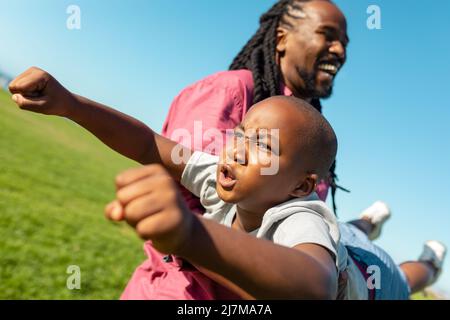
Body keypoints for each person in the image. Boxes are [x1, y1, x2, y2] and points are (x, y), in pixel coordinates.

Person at [8, 65, 446, 298]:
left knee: (408, 279)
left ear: (300, 186)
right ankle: (367, 221)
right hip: (343, 243)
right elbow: (147, 144)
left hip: (372, 282)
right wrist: (70, 104)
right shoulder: (224, 174)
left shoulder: (299, 217)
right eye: (241, 134)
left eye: (264, 146)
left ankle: (430, 259)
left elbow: (315, 285)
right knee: (352, 231)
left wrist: (191, 233)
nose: (237, 149)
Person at [161, 0, 350, 214]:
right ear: (281, 39)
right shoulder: (230, 90)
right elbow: (195, 181)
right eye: (327, 35)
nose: (340, 51)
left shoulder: (310, 131)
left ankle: (368, 221)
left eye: (345, 43)